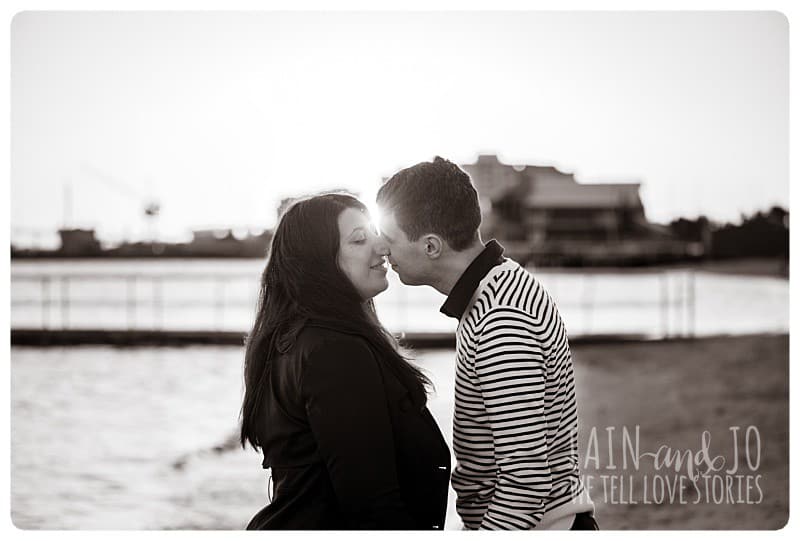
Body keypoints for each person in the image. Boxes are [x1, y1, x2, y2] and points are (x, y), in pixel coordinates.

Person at [376, 157, 597, 530]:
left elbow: (525, 483)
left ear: (431, 246)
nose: (384, 250)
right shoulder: (496, 290)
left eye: (391, 239)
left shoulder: (502, 317)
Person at [239, 193, 451, 530]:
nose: (382, 247)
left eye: (375, 233)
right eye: (359, 240)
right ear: (318, 262)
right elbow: (372, 506)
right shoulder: (334, 352)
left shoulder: (295, 340)